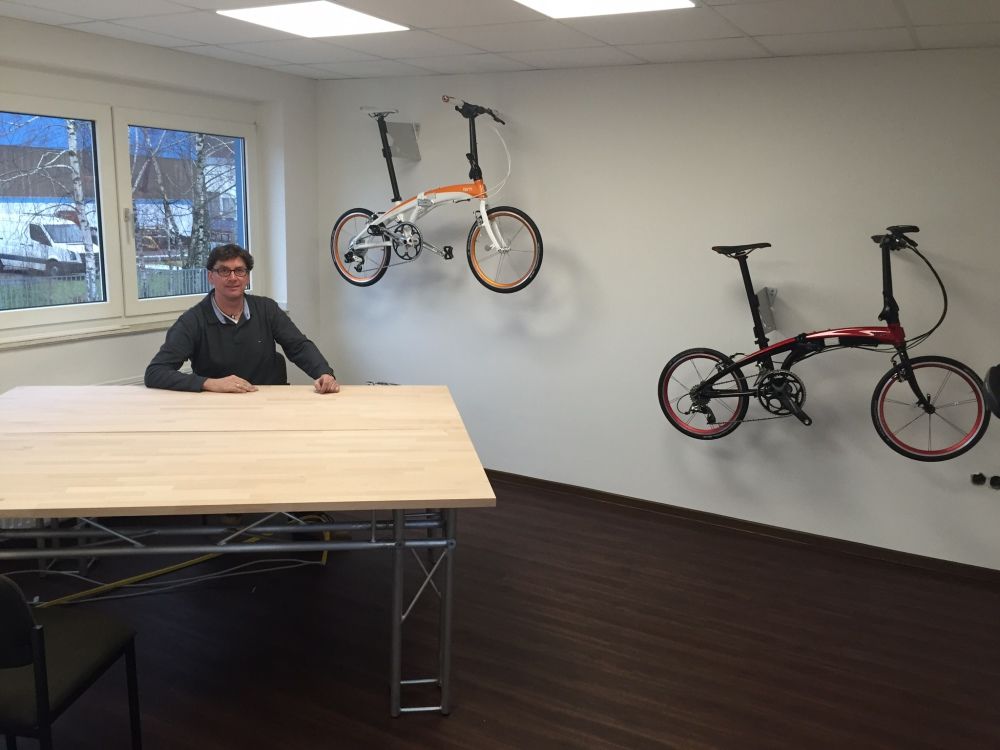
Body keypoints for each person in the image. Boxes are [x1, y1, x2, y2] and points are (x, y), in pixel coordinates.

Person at [144, 244, 339, 395]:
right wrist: (209, 383)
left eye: (239, 271)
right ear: (210, 277)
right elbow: (155, 372)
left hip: (267, 401)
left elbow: (298, 346)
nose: (233, 277)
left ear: (247, 277)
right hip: (218, 406)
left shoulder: (266, 308)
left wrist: (324, 373)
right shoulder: (193, 320)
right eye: (224, 271)